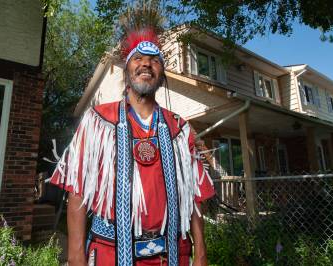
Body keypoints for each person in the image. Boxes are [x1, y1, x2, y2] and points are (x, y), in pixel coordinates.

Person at [50, 27, 215, 266]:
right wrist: (76, 256)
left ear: (162, 73)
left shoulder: (179, 129)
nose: (146, 64)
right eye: (138, 58)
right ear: (126, 70)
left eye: (154, 60)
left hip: (171, 254)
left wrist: (200, 254)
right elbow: (78, 191)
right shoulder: (98, 121)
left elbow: (194, 198)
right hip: (110, 252)